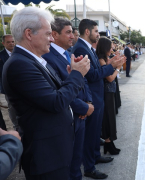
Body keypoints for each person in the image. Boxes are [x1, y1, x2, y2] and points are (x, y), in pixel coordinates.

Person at [3, 7, 91, 179]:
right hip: (46, 156)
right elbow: (56, 102)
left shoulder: (34, 60)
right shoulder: (20, 64)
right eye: (48, 34)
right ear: (29, 34)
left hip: (54, 150)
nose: (52, 39)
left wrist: (71, 74)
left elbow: (56, 92)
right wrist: (76, 74)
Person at [42, 18, 94, 180]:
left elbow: (83, 80)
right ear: (55, 35)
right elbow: (58, 89)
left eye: (73, 32)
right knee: (68, 162)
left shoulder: (69, 54)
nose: (73, 36)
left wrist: (89, 103)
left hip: (81, 114)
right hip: (70, 114)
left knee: (76, 160)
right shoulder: (48, 57)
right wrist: (83, 108)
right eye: (68, 32)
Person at [72, 19, 124, 179]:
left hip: (97, 97)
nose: (98, 34)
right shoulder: (81, 48)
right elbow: (93, 75)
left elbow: (96, 70)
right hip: (92, 98)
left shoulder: (87, 47)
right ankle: (89, 167)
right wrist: (112, 66)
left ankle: (95, 156)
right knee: (90, 135)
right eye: (96, 31)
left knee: (95, 133)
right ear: (87, 32)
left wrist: (110, 64)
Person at [96, 37, 124, 155]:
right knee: (108, 118)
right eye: (110, 46)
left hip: (110, 92)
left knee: (111, 117)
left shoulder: (105, 58)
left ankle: (110, 142)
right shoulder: (101, 59)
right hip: (106, 92)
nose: (112, 48)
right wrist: (118, 67)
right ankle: (108, 142)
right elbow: (110, 77)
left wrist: (115, 60)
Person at [0, 34, 17, 132]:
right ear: (3, 43)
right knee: (12, 107)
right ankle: (16, 127)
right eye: (8, 42)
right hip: (8, 88)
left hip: (21, 86)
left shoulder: (19, 53)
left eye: (13, 42)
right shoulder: (1, 56)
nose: (11, 44)